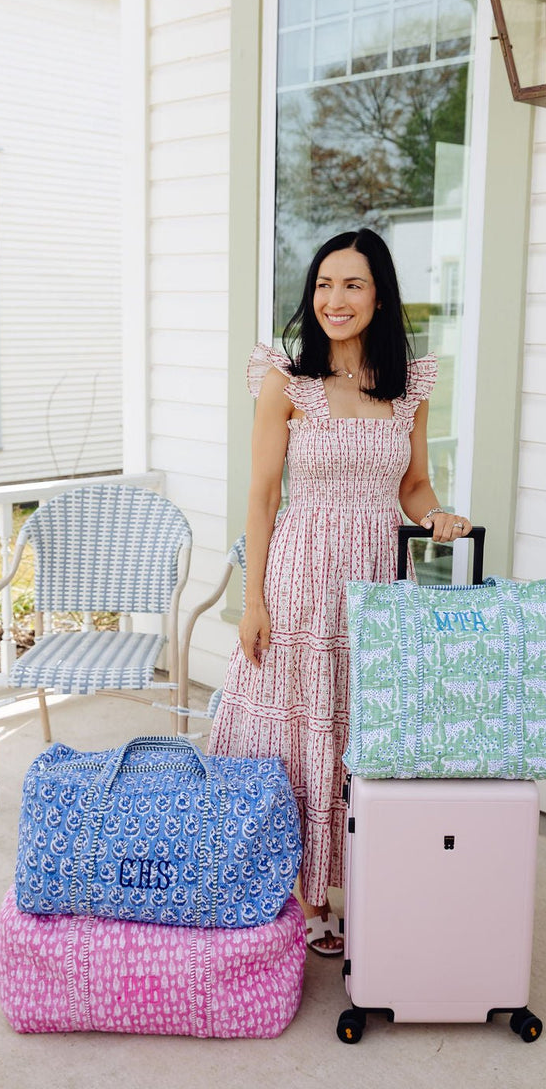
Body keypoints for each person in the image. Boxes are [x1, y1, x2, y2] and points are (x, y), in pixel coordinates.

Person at [207, 228, 472, 955]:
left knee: (365, 731)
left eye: (352, 285)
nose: (335, 299)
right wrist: (253, 600)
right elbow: (262, 497)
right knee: (300, 733)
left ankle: (367, 879)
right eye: (324, 285)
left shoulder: (407, 386)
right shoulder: (285, 383)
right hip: (301, 574)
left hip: (381, 578)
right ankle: (307, 895)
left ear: (379, 295)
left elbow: (413, 487)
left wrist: (437, 516)